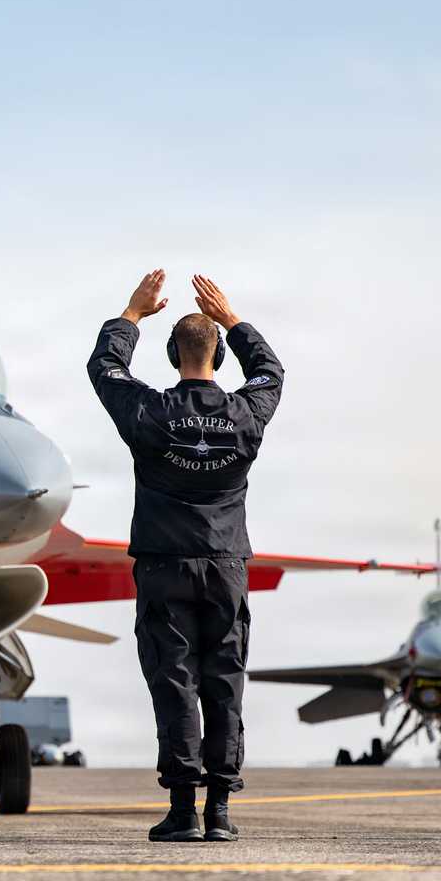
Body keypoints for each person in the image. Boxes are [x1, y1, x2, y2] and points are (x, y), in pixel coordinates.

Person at [88, 269, 283, 842]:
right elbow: (271, 372)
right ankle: (220, 810)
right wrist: (234, 320)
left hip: (164, 565)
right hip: (226, 566)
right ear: (219, 356)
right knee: (225, 680)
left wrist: (131, 313)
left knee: (174, 682)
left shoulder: (150, 414)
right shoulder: (246, 415)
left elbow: (106, 370)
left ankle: (182, 811)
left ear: (172, 353)